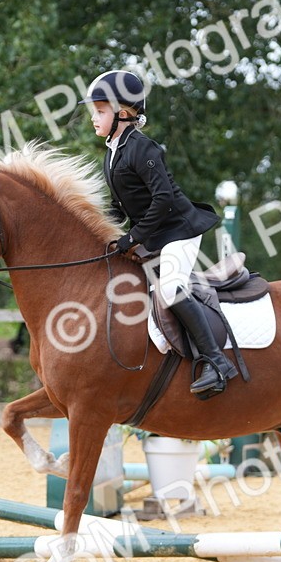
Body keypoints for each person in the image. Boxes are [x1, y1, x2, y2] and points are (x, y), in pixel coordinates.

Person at [84, 69, 232, 398]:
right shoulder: (112, 149)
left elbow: (163, 199)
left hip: (180, 231)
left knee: (172, 288)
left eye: (100, 111)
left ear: (123, 113)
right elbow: (121, 206)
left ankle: (217, 361)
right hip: (156, 234)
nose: (94, 118)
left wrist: (132, 238)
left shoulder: (142, 148)